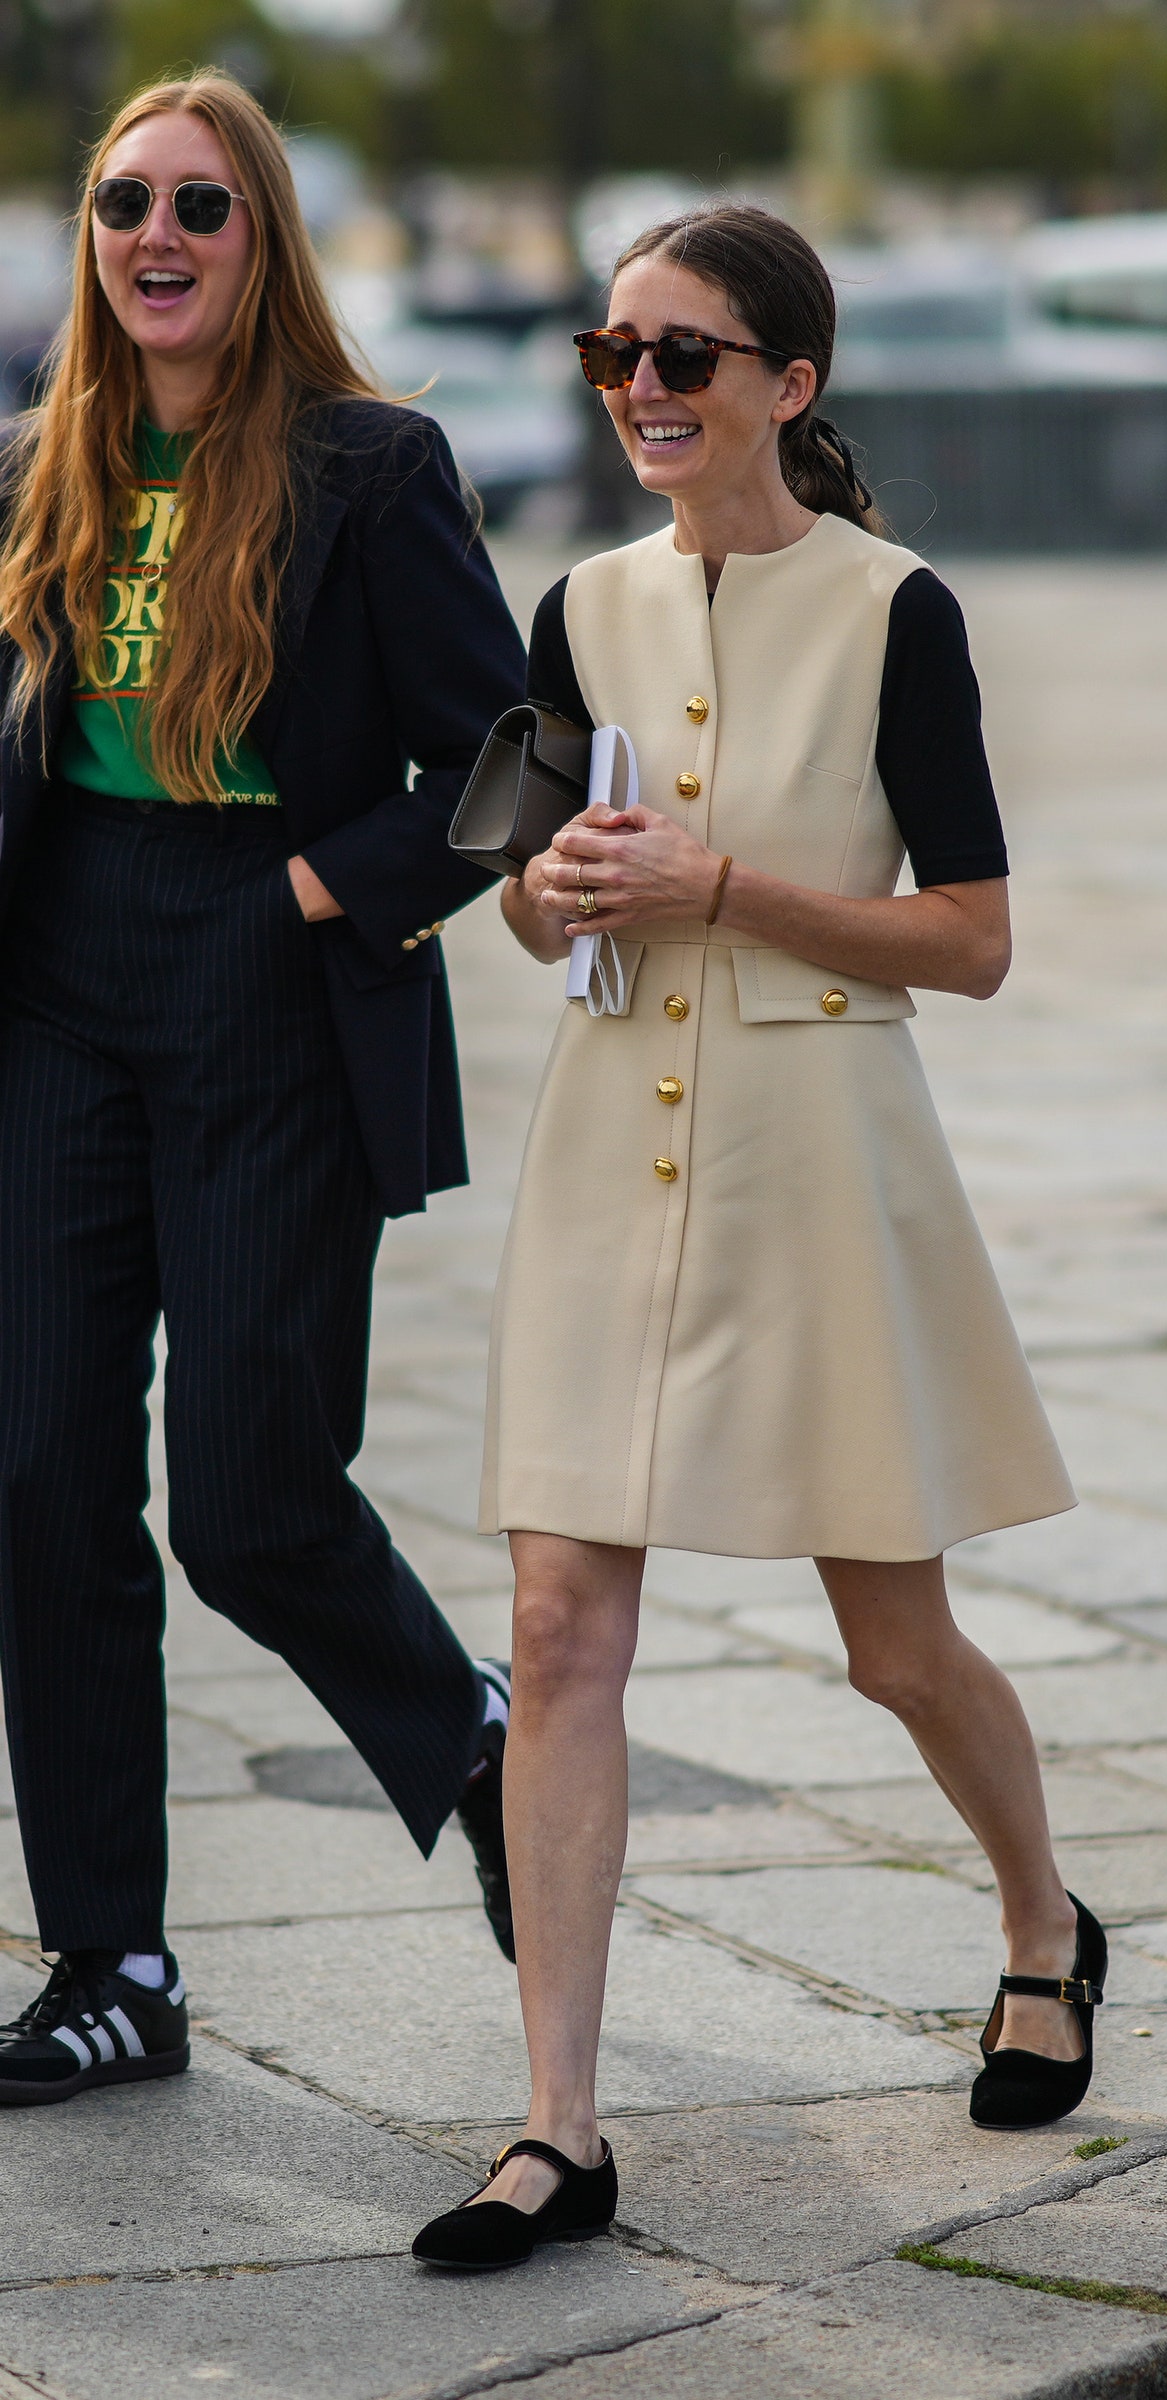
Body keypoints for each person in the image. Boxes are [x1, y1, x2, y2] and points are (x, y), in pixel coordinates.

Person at [412, 203, 1103, 2274]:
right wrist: (569, 894)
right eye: (612, 348)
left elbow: (969, 942)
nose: (640, 384)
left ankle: (1042, 1922)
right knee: (553, 1633)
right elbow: (516, 885)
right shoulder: (575, 605)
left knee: (890, 1637)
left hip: (814, 1150)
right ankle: (556, 2127)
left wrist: (723, 891)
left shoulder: (900, 612)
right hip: (607, 1139)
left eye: (683, 354)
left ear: (788, 387)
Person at [0, 71, 526, 2105]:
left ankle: (466, 1734)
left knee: (246, 1503)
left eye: (200, 207)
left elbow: (516, 754)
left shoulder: (367, 466)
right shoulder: (37, 460)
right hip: (59, 990)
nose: (158, 235)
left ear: (262, 237)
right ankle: (114, 1966)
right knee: (37, 1477)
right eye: (127, 201)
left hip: (269, 979)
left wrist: (330, 877)